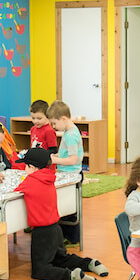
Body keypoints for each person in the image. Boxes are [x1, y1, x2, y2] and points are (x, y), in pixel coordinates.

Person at [15, 148, 108, 280]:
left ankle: (70, 275)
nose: (24, 169)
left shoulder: (30, 182)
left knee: (39, 270)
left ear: (32, 167)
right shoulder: (49, 178)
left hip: (41, 233)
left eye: (26, 166)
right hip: (55, 228)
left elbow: (16, 191)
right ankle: (90, 263)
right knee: (61, 259)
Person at [47, 100, 83, 243]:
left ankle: (72, 238)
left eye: (54, 124)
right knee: (64, 207)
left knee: (70, 209)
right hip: (66, 173)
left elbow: (73, 159)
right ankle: (66, 237)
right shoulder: (69, 131)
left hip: (72, 175)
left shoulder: (71, 135)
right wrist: (57, 156)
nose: (53, 127)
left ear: (63, 119)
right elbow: (67, 155)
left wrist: (55, 161)